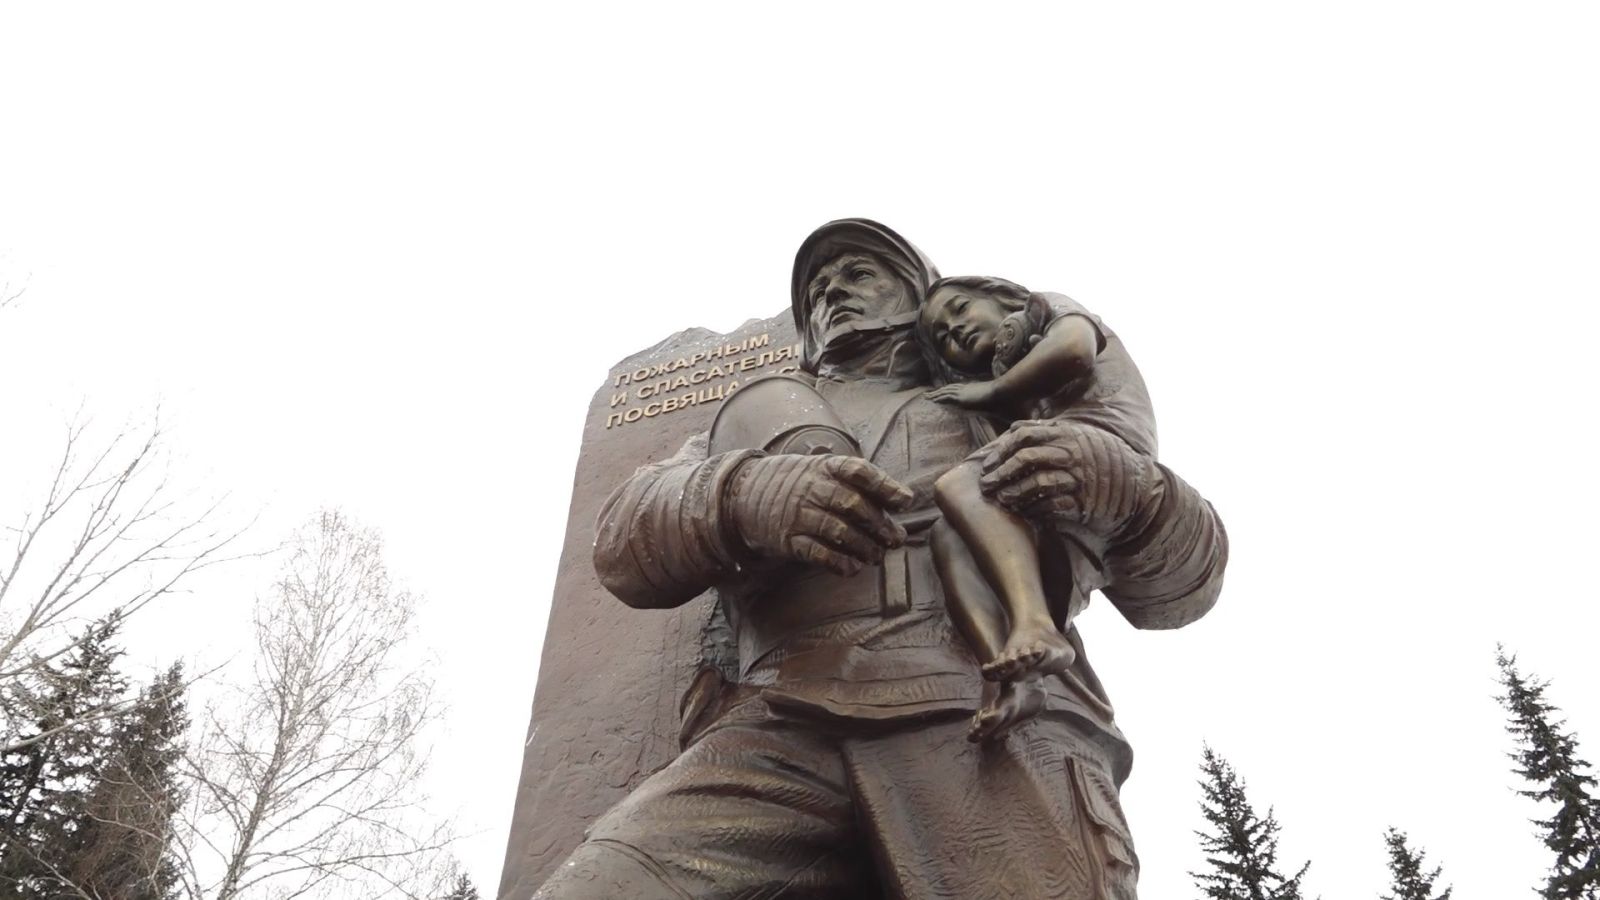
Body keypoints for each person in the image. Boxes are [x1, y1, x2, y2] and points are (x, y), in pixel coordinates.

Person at [529, 219, 1228, 900]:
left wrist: (1132, 491)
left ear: (920, 295)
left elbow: (1181, 590)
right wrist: (743, 494)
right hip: (779, 717)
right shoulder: (764, 416)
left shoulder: (1009, 395)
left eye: (859, 273)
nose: (833, 291)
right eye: (818, 289)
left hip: (987, 708)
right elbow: (623, 542)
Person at [918, 275, 1162, 740]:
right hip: (1060, 468)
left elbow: (1074, 350)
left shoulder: (1043, 309)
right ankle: (1013, 676)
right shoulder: (1013, 378)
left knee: (961, 484)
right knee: (949, 535)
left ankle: (1035, 625)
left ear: (1001, 299)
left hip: (1105, 440)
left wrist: (990, 392)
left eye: (961, 309)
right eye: (943, 337)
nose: (955, 329)